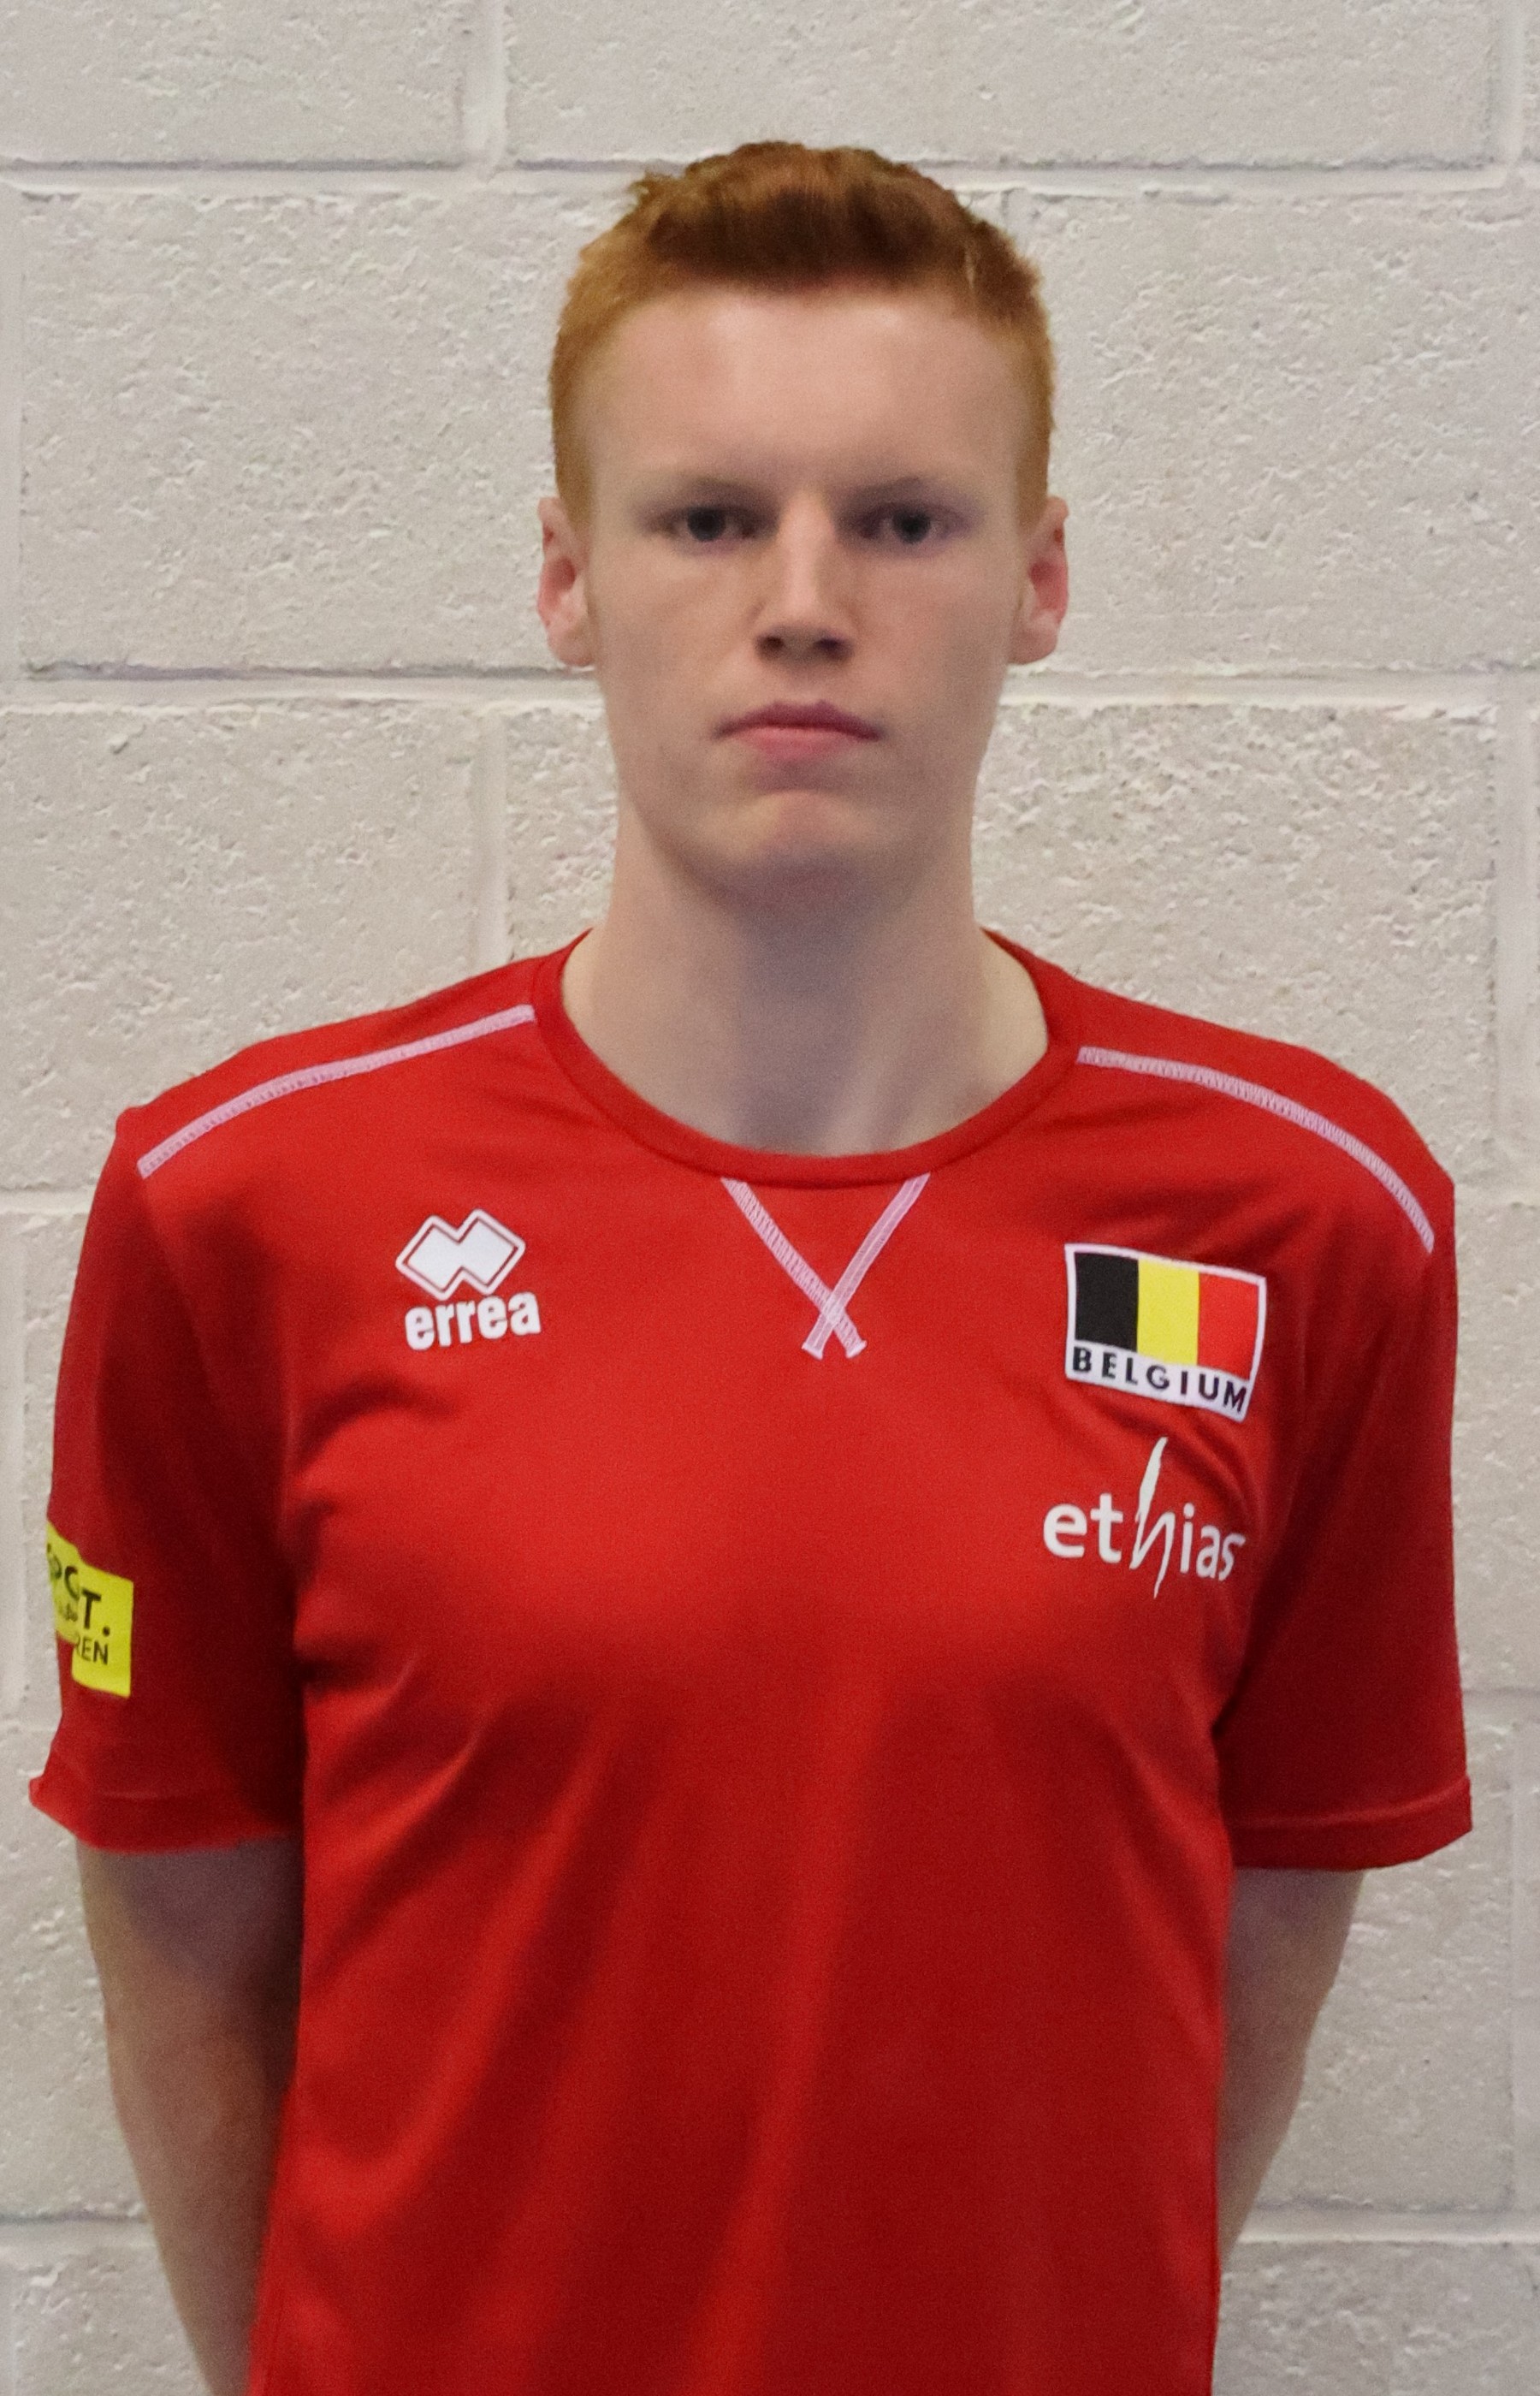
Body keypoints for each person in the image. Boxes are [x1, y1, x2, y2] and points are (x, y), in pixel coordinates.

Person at [32, 141, 1470, 2396]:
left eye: (902, 521)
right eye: (709, 520)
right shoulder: (243, 1206)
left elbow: (1270, 1914)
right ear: (567, 578)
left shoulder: (1309, 1219)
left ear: (1042, 578)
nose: (805, 603)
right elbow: (185, 1933)